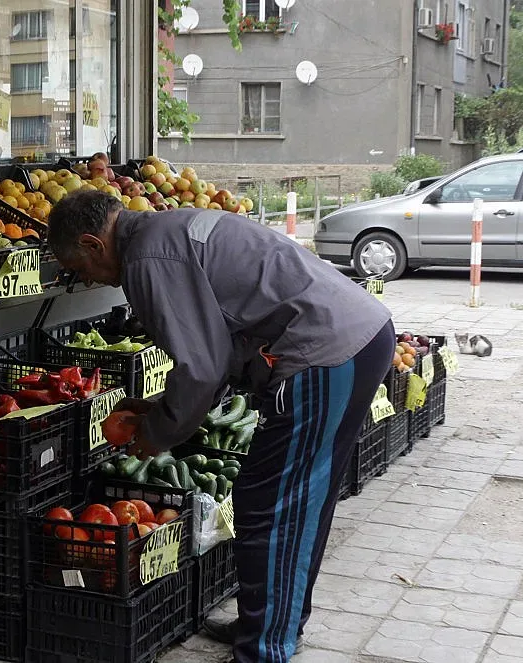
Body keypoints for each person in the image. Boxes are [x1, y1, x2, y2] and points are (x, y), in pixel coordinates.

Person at [48, 190, 394, 663]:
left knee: (274, 507)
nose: (86, 279)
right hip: (349, 340)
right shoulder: (162, 233)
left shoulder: (147, 259)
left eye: (81, 269)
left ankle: (265, 647)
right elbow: (216, 352)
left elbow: (202, 367)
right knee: (291, 502)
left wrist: (158, 432)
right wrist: (160, 408)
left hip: (325, 352)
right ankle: (271, 625)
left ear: (93, 243)